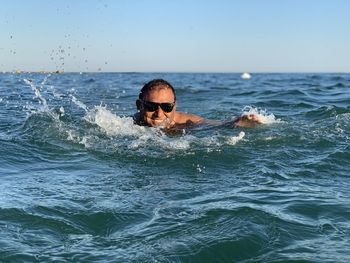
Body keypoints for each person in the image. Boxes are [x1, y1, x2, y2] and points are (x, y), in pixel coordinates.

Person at [133, 79, 263, 129]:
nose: (159, 113)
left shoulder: (186, 122)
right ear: (139, 106)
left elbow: (216, 125)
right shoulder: (129, 124)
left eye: (166, 107)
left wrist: (239, 122)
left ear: (174, 106)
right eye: (151, 106)